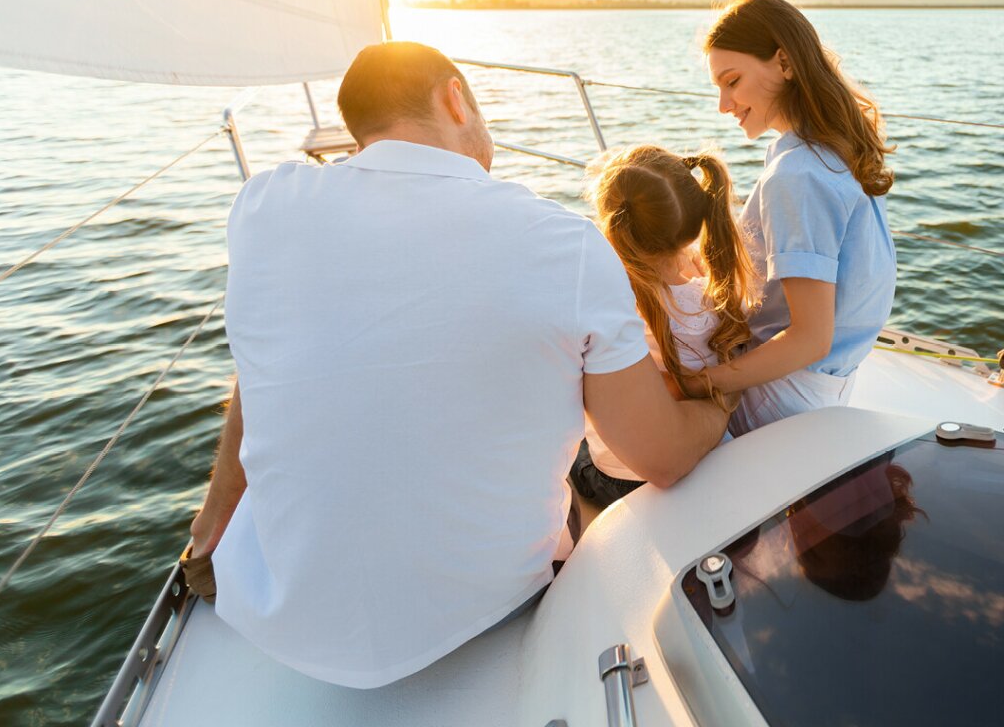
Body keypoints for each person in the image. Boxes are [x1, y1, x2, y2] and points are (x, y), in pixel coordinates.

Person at [185, 41, 728, 689]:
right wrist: (719, 399)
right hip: (487, 612)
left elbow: (260, 355)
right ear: (454, 97)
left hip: (272, 616)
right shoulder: (564, 244)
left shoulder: (262, 206)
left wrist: (215, 515)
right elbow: (658, 456)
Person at [694, 0, 896, 434]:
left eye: (732, 81)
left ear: (784, 63)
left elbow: (809, 337)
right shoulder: (839, 147)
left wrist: (700, 383)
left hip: (778, 395)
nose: (723, 105)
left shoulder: (797, 173)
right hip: (825, 389)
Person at [571, 145, 757, 506]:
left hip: (620, 480)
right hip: (714, 448)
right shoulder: (711, 294)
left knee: (575, 450)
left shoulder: (607, 302)